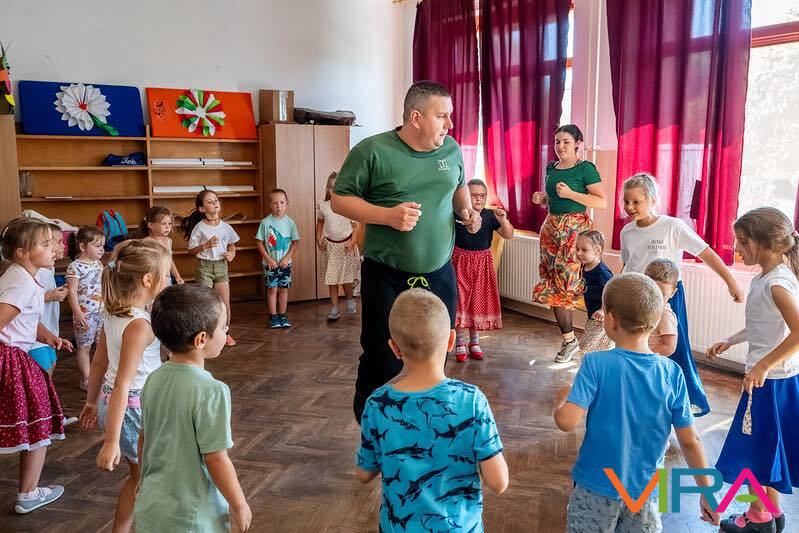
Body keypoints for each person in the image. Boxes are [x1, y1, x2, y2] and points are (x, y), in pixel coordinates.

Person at [331, 80, 482, 422]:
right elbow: (340, 200)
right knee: (383, 356)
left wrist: (466, 212)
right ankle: (369, 418)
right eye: (442, 116)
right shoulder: (372, 151)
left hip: (440, 272)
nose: (450, 124)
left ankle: (428, 419)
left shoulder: (451, 149)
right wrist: (387, 216)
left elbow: (458, 187)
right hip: (386, 273)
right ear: (416, 117)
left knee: (438, 349)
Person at [554, 273, 719, 532]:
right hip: (647, 493)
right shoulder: (673, 373)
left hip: (596, 487)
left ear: (610, 319)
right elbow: (690, 441)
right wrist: (707, 492)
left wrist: (561, 399)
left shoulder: (595, 364)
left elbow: (566, 421)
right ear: (655, 321)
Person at [356, 288, 508, 532]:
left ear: (394, 348)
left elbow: (364, 474)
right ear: (451, 341)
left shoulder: (377, 403)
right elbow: (498, 482)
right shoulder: (471, 401)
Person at [619, 172, 743, 416]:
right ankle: (638, 396)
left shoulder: (672, 226)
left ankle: (681, 402)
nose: (630, 207)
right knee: (635, 345)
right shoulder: (627, 232)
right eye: (626, 201)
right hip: (635, 296)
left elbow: (706, 253)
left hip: (667, 298)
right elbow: (627, 265)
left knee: (673, 348)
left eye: (636, 201)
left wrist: (731, 282)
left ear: (652, 200)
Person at [708, 208, 799, 533]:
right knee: (767, 447)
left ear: (766, 243)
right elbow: (762, 324)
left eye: (743, 241)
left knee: (753, 449)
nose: (736, 247)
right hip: (773, 380)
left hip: (770, 383)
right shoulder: (766, 277)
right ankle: (771, 511)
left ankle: (758, 517)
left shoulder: (777, 283)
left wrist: (762, 365)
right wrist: (730, 341)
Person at [134, 284, 251, 533]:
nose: (226, 331)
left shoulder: (153, 379)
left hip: (151, 506)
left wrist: (143, 480)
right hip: (193, 516)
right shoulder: (212, 391)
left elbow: (144, 438)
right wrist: (239, 504)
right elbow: (216, 458)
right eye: (223, 327)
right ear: (201, 340)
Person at [78, 240, 170, 533]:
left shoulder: (114, 313)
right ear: (148, 280)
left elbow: (98, 364)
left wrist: (91, 402)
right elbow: (123, 382)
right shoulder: (139, 324)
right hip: (134, 408)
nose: (167, 279)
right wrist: (110, 442)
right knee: (149, 478)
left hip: (112, 403)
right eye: (165, 275)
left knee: (139, 476)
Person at [0, 217, 73, 514]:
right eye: (45, 244)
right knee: (40, 419)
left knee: (36, 418)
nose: (54, 249)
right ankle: (28, 493)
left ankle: (29, 491)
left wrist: (47, 335)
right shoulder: (21, 283)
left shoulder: (20, 276)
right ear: (22, 252)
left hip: (13, 355)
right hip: (11, 359)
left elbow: (21, 316)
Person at [532, 124, 607, 363]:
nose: (560, 146)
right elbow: (554, 199)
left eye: (566, 141)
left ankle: (596, 343)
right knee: (554, 286)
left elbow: (601, 202)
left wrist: (570, 195)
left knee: (572, 286)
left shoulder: (585, 168)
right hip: (551, 231)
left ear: (578, 144)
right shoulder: (551, 168)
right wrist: (544, 199)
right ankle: (569, 340)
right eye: (557, 142)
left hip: (575, 234)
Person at [452, 179, 513, 362]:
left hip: (482, 264)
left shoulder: (489, 216)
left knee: (477, 302)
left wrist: (503, 220)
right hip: (459, 261)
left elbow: (509, 234)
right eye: (473, 195)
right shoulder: (456, 214)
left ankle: (475, 341)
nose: (478, 199)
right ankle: (460, 342)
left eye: (482, 195)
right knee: (460, 303)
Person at [181, 189, 240, 346]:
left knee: (224, 303)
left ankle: (225, 333)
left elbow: (232, 245)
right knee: (205, 302)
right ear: (202, 209)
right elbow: (191, 251)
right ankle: (205, 334)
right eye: (210, 201)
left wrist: (232, 253)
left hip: (221, 267)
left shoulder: (226, 227)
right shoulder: (199, 228)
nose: (215, 203)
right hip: (204, 267)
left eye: (216, 200)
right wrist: (205, 246)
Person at [316, 172, 360, 321]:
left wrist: (353, 242)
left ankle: (349, 298)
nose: (334, 190)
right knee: (332, 279)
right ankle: (334, 307)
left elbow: (356, 226)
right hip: (331, 247)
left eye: (337, 187)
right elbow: (320, 223)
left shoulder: (348, 206)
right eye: (331, 187)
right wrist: (318, 239)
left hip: (345, 247)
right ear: (327, 189)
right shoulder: (324, 206)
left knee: (346, 278)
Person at [66, 225, 106, 390]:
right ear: (83, 246)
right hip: (84, 314)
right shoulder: (75, 267)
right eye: (97, 246)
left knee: (101, 346)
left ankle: (99, 377)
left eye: (103, 246)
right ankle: (86, 379)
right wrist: (78, 313)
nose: (102, 249)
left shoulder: (98, 264)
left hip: (101, 312)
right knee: (84, 347)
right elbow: (71, 292)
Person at [256, 188, 300, 329]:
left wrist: (287, 258)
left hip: (285, 264)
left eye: (281, 202)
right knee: (272, 290)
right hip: (270, 264)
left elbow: (295, 242)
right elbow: (259, 243)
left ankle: (283, 314)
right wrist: (269, 259)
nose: (278, 206)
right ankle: (273, 316)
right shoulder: (265, 222)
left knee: (283, 290)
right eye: (275, 203)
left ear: (287, 203)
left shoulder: (290, 223)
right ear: (270, 204)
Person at [28, 223, 68, 374]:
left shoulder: (49, 267)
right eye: (59, 242)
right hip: (36, 335)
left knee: (52, 364)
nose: (63, 246)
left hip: (49, 330)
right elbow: (25, 301)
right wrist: (49, 296)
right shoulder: (35, 271)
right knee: (44, 372)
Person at [573, 230, 614, 356]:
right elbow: (589, 284)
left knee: (586, 347)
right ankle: (599, 366)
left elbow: (611, 292)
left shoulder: (602, 271)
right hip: (593, 314)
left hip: (603, 317)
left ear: (597, 250)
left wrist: (603, 310)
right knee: (599, 348)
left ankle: (589, 367)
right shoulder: (585, 266)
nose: (579, 253)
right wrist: (580, 292)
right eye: (577, 249)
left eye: (584, 250)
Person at [138, 205, 184, 285]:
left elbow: (170, 261)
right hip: (153, 283)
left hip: (167, 281)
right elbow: (142, 266)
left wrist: (177, 276)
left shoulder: (168, 241)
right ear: (151, 225)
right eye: (163, 223)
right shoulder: (145, 242)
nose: (168, 227)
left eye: (169, 223)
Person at [644, 258, 679, 357]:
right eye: (651, 291)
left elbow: (669, 347)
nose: (655, 298)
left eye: (661, 295)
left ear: (672, 292)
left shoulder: (665, 315)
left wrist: (646, 357)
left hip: (650, 361)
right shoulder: (643, 307)